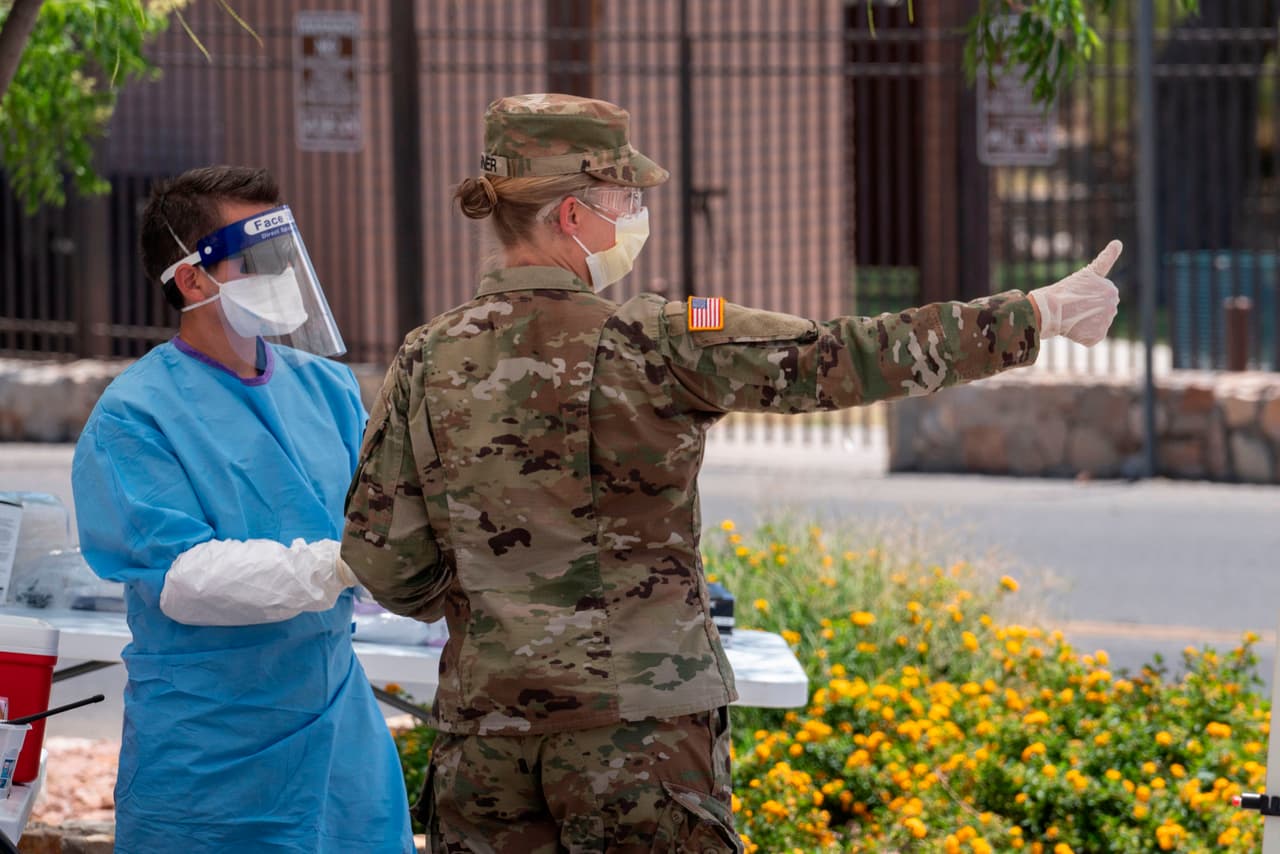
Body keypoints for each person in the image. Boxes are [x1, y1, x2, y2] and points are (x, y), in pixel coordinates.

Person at [341, 94, 1121, 853]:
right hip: (641, 741)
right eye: (624, 196)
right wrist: (1040, 313)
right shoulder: (657, 340)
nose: (636, 216)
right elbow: (841, 355)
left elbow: (385, 563)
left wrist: (488, 600)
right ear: (574, 215)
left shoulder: (424, 356)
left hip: (487, 746)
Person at [71, 165, 414, 853]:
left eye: (287, 253)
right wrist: (341, 565)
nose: (283, 274)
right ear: (192, 280)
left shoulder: (327, 389)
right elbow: (186, 581)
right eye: (259, 260)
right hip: (214, 752)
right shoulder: (136, 416)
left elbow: (388, 519)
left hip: (340, 740)